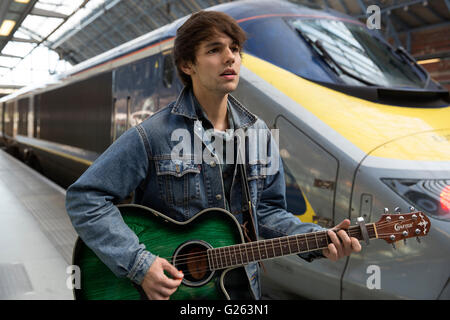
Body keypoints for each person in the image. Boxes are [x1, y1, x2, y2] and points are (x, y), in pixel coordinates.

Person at [65, 10, 361, 300]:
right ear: (187, 65)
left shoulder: (258, 134)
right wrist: (141, 265)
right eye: (214, 50)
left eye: (234, 49)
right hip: (177, 290)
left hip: (243, 288)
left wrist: (318, 239)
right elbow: (85, 197)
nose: (230, 57)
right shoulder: (153, 135)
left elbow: (267, 213)